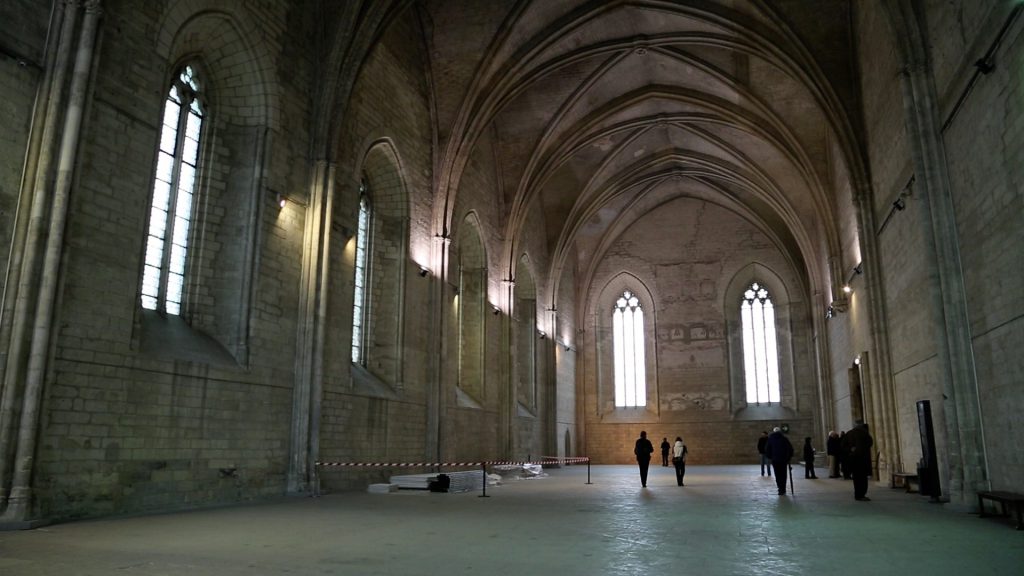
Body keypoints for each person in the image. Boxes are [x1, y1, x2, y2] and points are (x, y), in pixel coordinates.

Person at [842, 420, 874, 501]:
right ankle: (861, 495)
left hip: (854, 459)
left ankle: (858, 495)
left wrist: (850, 449)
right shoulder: (864, 433)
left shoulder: (850, 433)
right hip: (861, 459)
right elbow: (870, 443)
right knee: (862, 478)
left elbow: (843, 446)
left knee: (857, 478)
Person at [764, 427, 793, 495]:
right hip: (783, 460)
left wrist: (771, 457)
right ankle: (783, 488)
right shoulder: (784, 439)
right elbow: (790, 449)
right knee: (783, 474)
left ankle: (780, 488)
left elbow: (767, 449)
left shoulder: (770, 439)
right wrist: (788, 458)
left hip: (775, 460)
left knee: (777, 474)